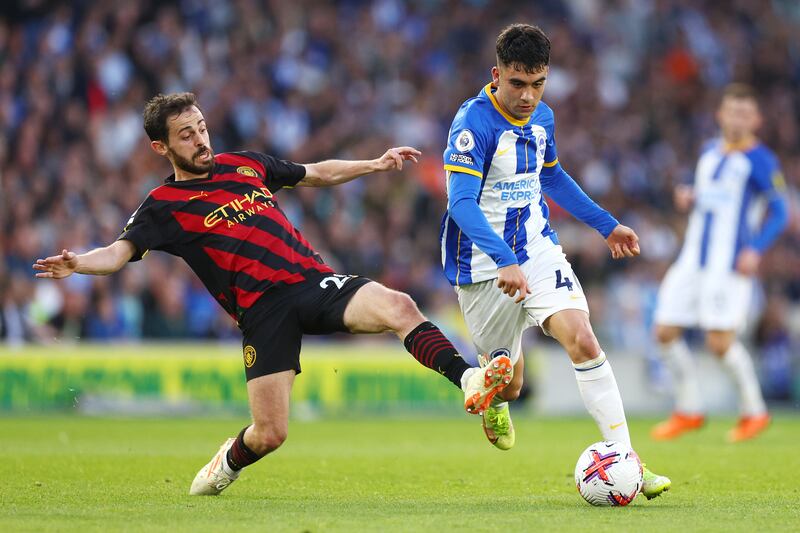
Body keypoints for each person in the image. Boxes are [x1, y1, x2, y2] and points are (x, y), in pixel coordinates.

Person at [33, 92, 514, 496]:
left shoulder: (243, 164)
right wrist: (79, 263)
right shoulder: (163, 206)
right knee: (270, 434)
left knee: (399, 305)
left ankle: (471, 382)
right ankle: (227, 462)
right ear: (161, 147)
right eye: (186, 135)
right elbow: (119, 253)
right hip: (262, 312)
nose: (200, 140)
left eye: (201, 128)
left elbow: (315, 173)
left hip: (311, 281)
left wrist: (374, 163)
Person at [439, 23, 670, 499]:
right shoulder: (472, 125)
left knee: (583, 339)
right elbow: (460, 204)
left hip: (536, 248)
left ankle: (629, 460)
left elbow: (553, 177)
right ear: (496, 74)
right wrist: (503, 260)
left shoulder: (543, 118)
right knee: (511, 386)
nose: (528, 96)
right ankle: (495, 395)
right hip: (483, 267)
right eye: (518, 84)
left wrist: (607, 224)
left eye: (538, 83)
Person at [651, 83, 789, 443]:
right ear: (720, 115)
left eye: (746, 113)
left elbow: (780, 211)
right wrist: (688, 196)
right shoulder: (709, 151)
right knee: (664, 332)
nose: (738, 119)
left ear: (756, 120)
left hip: (728, 264)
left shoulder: (761, 160)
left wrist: (756, 249)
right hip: (692, 259)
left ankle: (755, 412)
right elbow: (706, 197)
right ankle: (689, 410)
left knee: (719, 342)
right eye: (732, 111)